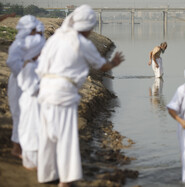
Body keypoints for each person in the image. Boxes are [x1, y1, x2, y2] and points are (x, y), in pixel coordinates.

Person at [35, 5, 124, 187]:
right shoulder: (81, 43)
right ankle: (66, 180)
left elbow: (41, 64)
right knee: (66, 136)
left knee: (48, 135)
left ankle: (47, 175)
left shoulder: (56, 38)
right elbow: (101, 66)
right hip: (63, 93)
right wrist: (114, 62)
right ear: (88, 26)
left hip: (44, 90)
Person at [6, 15, 39, 158]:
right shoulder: (18, 44)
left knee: (27, 115)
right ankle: (16, 148)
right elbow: (12, 63)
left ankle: (24, 147)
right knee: (19, 115)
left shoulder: (29, 42)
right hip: (19, 82)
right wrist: (26, 67)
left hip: (28, 81)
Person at [17, 34, 45, 170]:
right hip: (32, 102)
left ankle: (33, 162)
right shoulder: (29, 67)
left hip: (32, 102)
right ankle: (32, 163)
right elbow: (32, 88)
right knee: (33, 130)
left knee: (31, 129)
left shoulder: (30, 64)